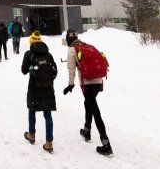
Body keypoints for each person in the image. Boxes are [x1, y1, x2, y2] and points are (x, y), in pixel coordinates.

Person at [63, 29, 113, 157]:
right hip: (98, 81)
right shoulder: (87, 46)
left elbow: (71, 69)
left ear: (68, 40)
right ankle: (87, 131)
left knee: (95, 111)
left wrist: (70, 84)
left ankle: (106, 144)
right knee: (88, 104)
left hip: (87, 83)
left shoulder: (72, 49)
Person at [21, 31, 58, 153]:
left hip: (34, 87)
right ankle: (49, 143)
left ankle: (31, 134)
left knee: (32, 110)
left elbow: (23, 70)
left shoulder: (29, 54)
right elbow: (54, 71)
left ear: (31, 42)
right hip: (48, 88)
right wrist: (46, 80)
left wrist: (34, 71)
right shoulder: (48, 54)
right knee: (47, 114)